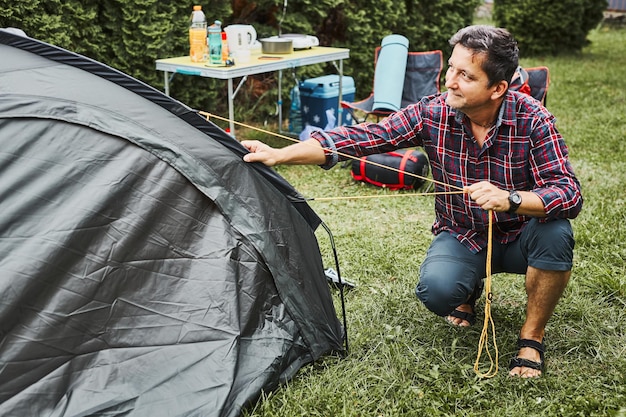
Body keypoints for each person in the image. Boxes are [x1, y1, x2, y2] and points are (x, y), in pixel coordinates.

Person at [241, 25, 583, 378]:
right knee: (437, 292)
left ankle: (531, 337)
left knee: (556, 232)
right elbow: (361, 137)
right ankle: (467, 290)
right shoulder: (433, 112)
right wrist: (281, 155)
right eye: (451, 68)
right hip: (464, 234)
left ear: (497, 89)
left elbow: (568, 192)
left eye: (465, 75)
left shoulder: (533, 119)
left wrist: (510, 199)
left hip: (521, 237)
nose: (450, 81)